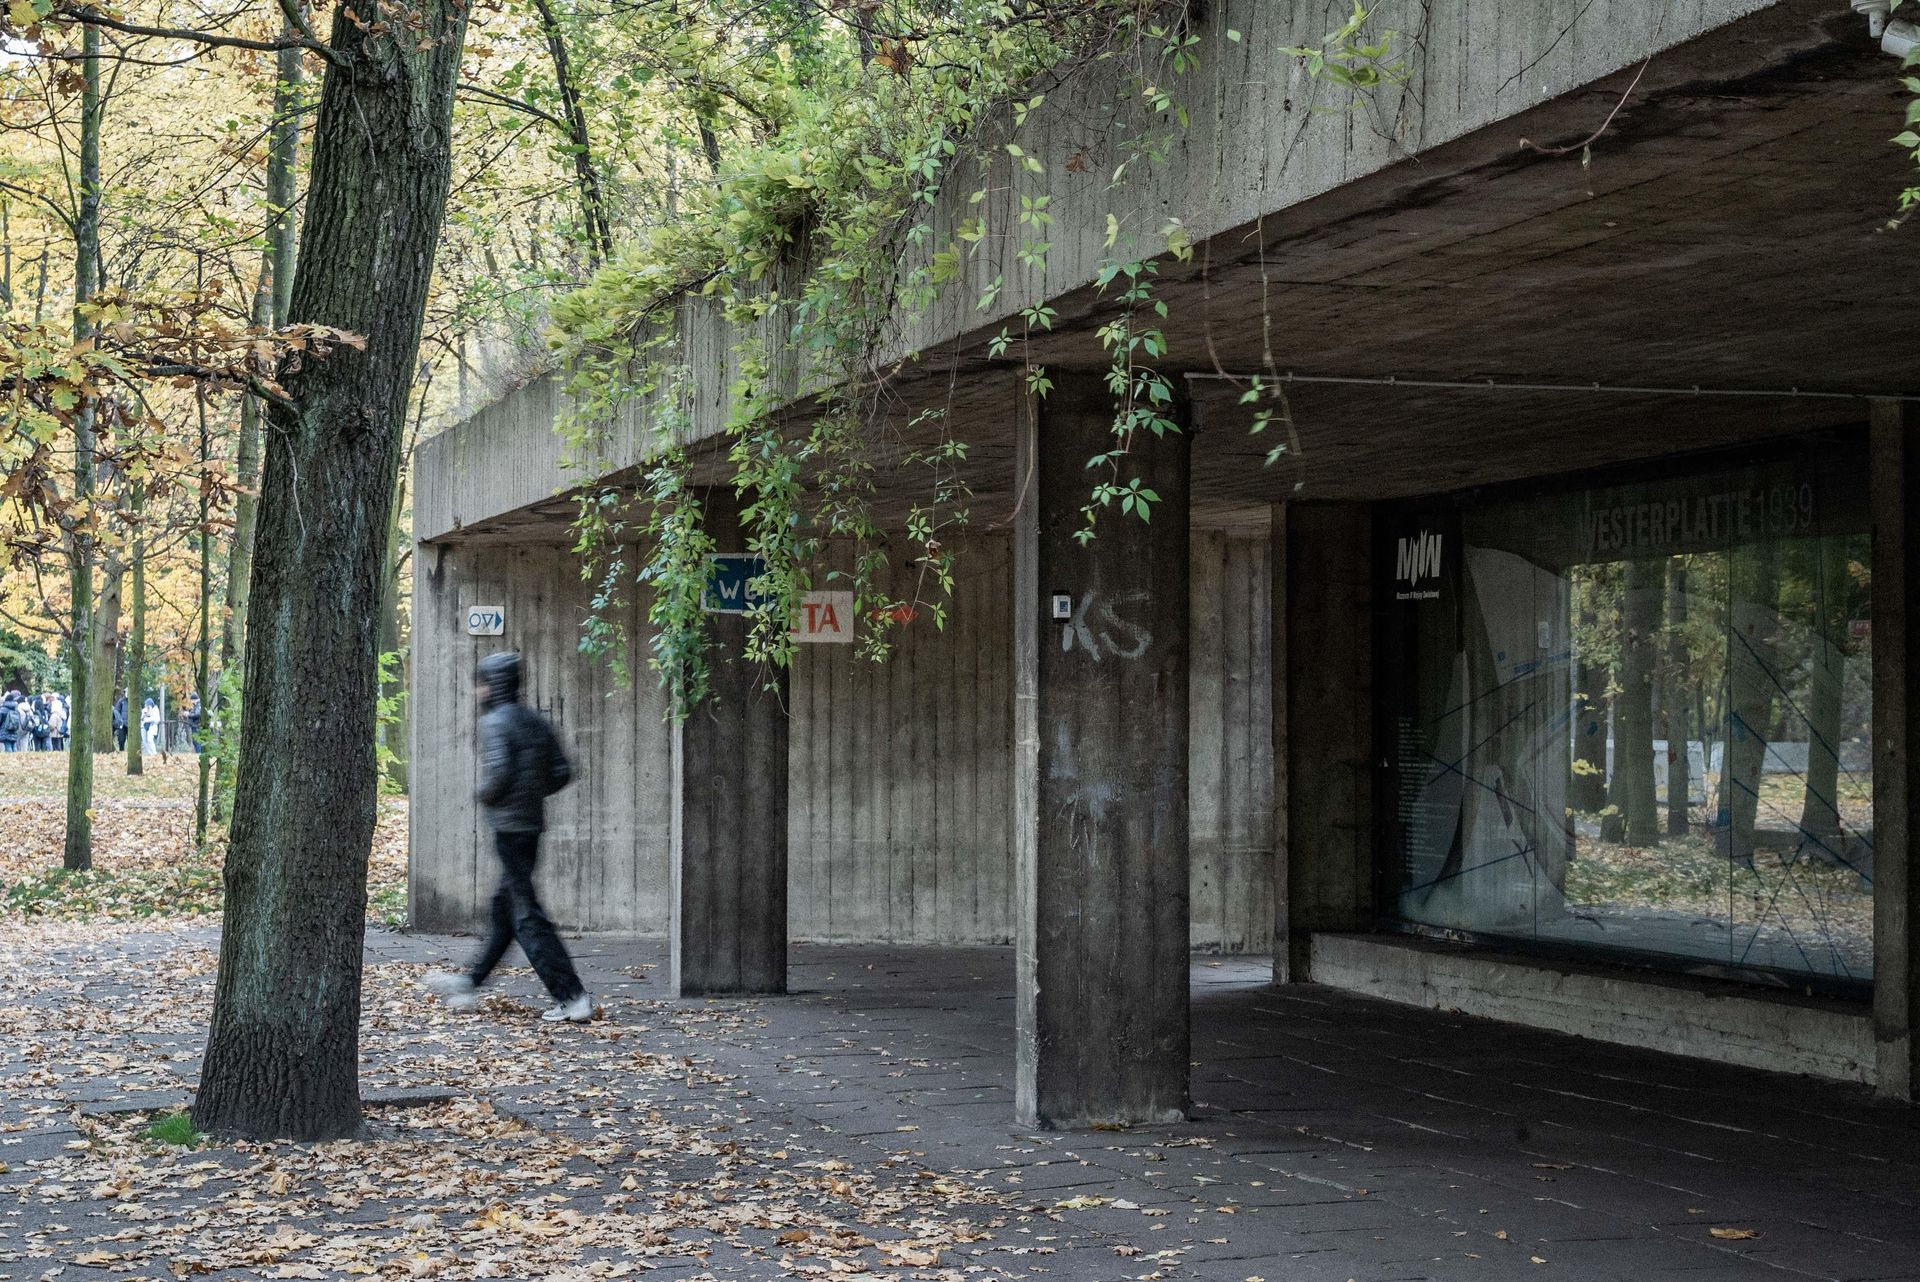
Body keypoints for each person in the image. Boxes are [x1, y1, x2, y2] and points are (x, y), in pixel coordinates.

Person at [426, 651, 592, 1023]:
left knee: (526, 916)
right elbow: (562, 772)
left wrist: (484, 794)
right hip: (530, 826)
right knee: (505, 909)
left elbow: (499, 775)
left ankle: (572, 996)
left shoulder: (494, 723)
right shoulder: (536, 721)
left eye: (478, 684)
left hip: (509, 828)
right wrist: (531, 792)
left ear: (489, 685)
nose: (475, 691)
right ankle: (471, 981)